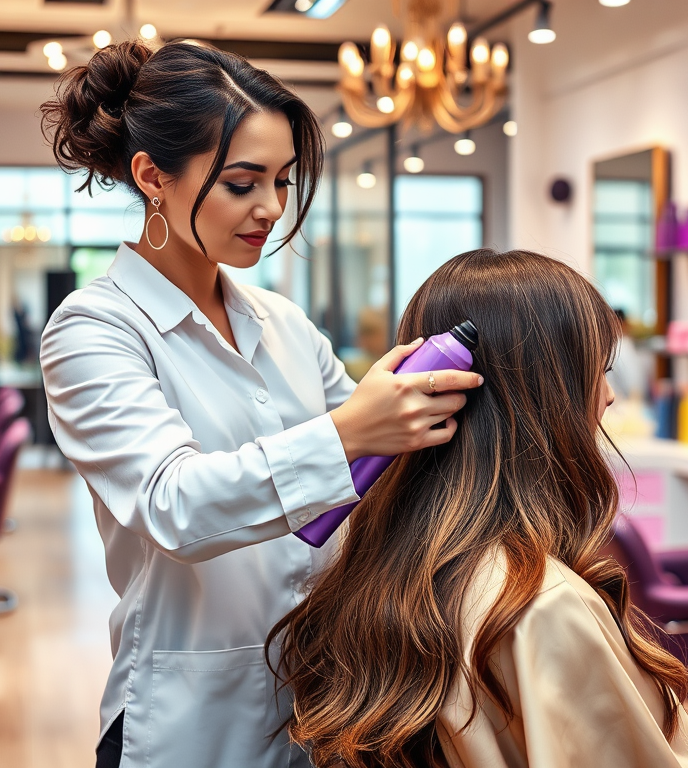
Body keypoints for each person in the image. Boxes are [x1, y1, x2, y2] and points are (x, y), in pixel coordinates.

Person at [37, 39, 482, 768]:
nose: (272, 208)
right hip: (186, 721)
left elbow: (379, 475)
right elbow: (172, 505)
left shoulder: (284, 324)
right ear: (152, 176)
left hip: (329, 704)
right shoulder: (94, 330)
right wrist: (344, 435)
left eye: (282, 180)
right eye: (243, 183)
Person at [270, 249, 688, 768]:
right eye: (597, 370)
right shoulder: (542, 606)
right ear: (546, 395)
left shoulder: (380, 573)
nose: (610, 395)